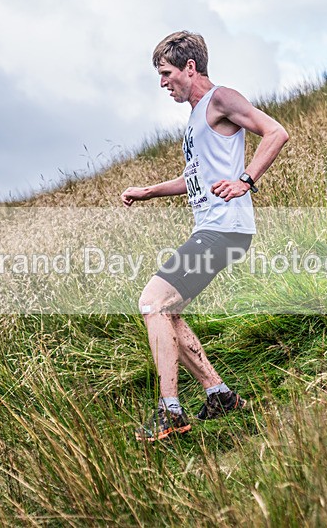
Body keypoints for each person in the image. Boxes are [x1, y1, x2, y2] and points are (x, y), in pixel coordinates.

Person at [121, 31, 289, 441]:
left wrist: (245, 181)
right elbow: (196, 178)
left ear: (189, 68)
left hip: (224, 229)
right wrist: (149, 192)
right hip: (214, 229)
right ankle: (219, 394)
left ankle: (170, 412)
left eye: (166, 73)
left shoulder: (220, 98)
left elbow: (276, 132)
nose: (163, 83)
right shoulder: (196, 117)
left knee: (151, 302)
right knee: (169, 312)